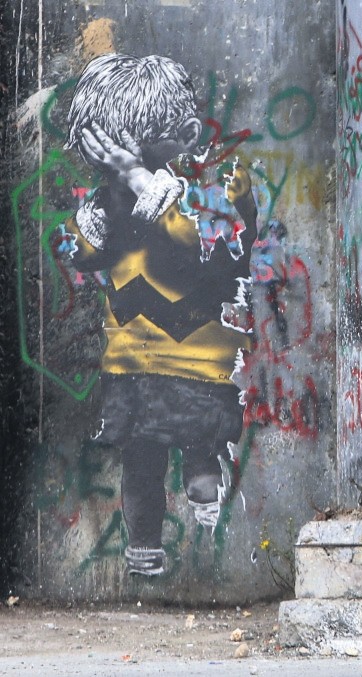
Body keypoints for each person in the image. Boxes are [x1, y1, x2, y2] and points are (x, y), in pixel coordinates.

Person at [62, 53, 258, 576]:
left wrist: (138, 177)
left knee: (199, 462)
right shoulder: (105, 203)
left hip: (196, 366)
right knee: (140, 467)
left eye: (135, 148)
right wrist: (105, 205)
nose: (120, 161)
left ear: (186, 135)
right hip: (131, 368)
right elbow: (77, 253)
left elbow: (201, 244)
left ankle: (209, 523)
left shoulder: (203, 190)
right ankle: (144, 555)